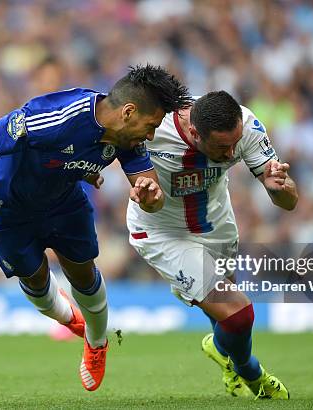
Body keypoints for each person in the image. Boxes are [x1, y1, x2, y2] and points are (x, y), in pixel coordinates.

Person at [0, 64, 193, 391]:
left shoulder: (128, 138)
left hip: (63, 202)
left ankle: (97, 344)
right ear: (128, 112)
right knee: (37, 281)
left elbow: (152, 193)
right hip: (5, 208)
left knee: (83, 273)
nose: (151, 135)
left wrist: (149, 198)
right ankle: (72, 320)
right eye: (151, 125)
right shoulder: (57, 117)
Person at [125, 91, 297, 398]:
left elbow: (289, 202)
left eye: (235, 142)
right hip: (164, 234)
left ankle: (224, 354)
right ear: (194, 132)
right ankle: (250, 371)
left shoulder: (246, 126)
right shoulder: (155, 128)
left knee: (227, 317)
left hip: (217, 225)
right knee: (238, 312)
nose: (232, 152)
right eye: (221, 146)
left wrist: (279, 188)